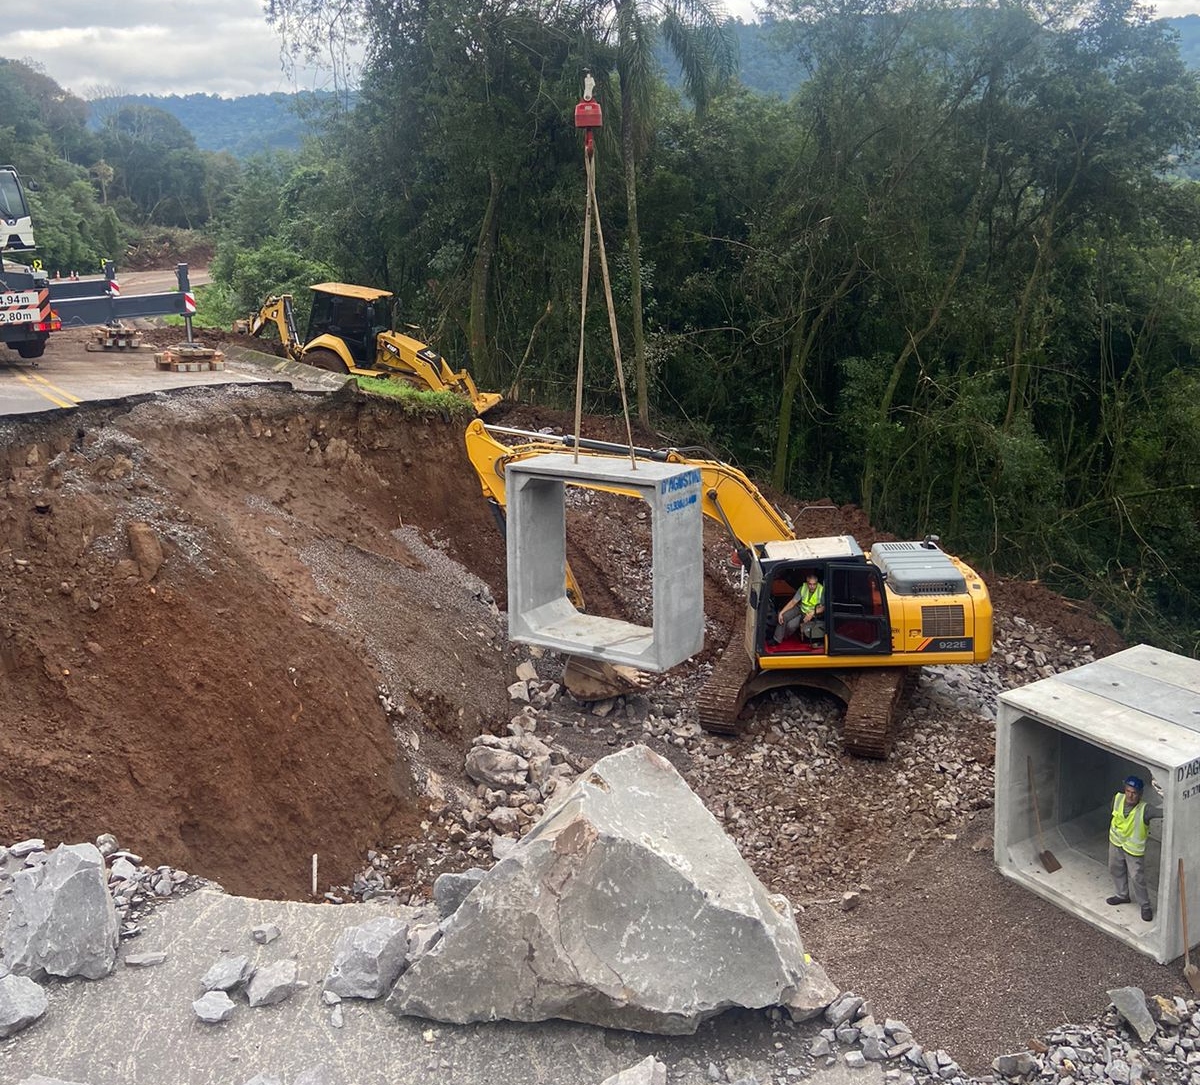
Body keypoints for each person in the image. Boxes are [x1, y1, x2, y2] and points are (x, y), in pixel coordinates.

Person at [1107, 775, 1160, 922]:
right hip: (1116, 842)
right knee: (1115, 868)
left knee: (1137, 877)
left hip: (1133, 850)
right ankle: (1122, 895)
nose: (1130, 795)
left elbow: (1163, 813)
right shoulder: (1117, 799)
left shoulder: (1146, 809)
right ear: (1125, 790)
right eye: (1128, 791)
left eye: (1134, 792)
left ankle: (1145, 906)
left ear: (1140, 794)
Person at [773, 569, 825, 645]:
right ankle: (776, 640)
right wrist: (781, 612)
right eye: (810, 584)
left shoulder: (821, 590)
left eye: (814, 584)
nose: (812, 586)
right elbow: (793, 602)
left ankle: (785, 636)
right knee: (783, 617)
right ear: (807, 583)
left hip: (811, 614)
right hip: (800, 609)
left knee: (790, 626)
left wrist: (813, 612)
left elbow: (824, 607)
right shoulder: (803, 588)